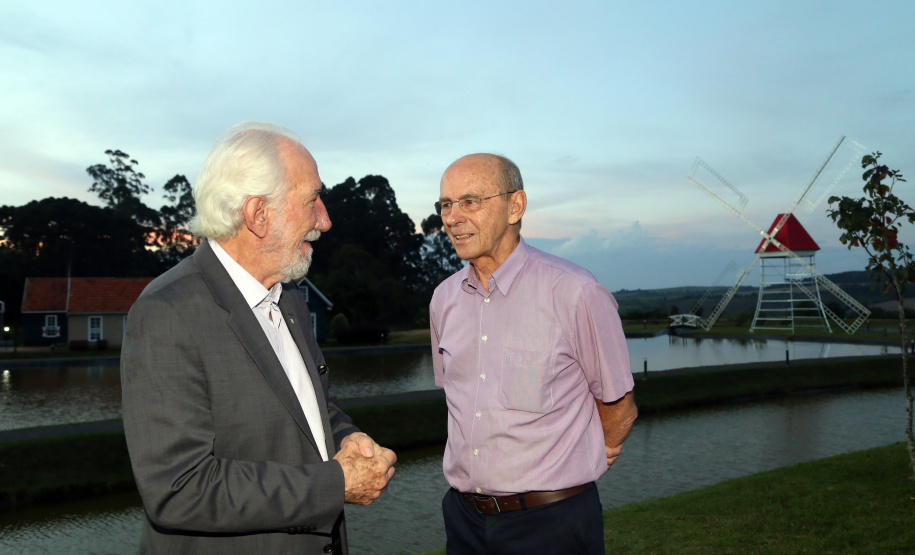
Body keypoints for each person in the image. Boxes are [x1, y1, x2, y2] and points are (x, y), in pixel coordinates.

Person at [121, 122, 396, 555]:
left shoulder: (288, 297)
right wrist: (336, 483)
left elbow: (311, 408)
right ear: (257, 214)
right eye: (312, 200)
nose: (325, 219)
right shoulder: (166, 313)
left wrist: (347, 437)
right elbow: (179, 488)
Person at [429, 153, 638, 554]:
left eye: (470, 201)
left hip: (551, 523)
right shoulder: (443, 300)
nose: (452, 218)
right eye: (446, 205)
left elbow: (619, 405)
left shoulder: (575, 292)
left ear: (516, 206)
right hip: (464, 520)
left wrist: (587, 454)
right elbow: (458, 401)